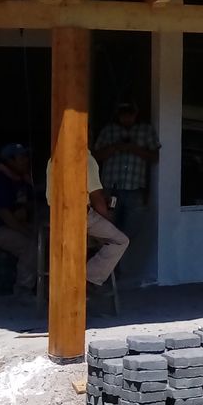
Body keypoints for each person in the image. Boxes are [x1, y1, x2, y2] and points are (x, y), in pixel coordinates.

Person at [47, 144, 129, 289]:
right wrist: (108, 218)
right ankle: (88, 279)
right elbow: (96, 196)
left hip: (55, 215)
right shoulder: (86, 159)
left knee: (97, 237)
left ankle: (69, 283)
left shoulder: (53, 157)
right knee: (120, 241)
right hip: (78, 215)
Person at [93, 102, 159, 241]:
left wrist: (134, 148)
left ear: (136, 114)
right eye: (124, 115)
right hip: (110, 189)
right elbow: (95, 157)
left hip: (135, 190)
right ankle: (112, 261)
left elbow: (155, 157)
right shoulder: (108, 130)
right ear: (118, 115)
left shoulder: (146, 130)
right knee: (107, 232)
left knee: (129, 236)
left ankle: (123, 261)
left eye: (130, 115)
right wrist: (115, 147)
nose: (127, 118)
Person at [0, 144, 39, 294]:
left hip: (19, 224)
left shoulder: (21, 179)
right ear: (9, 161)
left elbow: (31, 205)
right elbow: (5, 216)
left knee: (49, 238)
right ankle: (23, 290)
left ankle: (44, 286)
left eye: (26, 157)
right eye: (21, 158)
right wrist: (27, 232)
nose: (26, 161)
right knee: (31, 245)